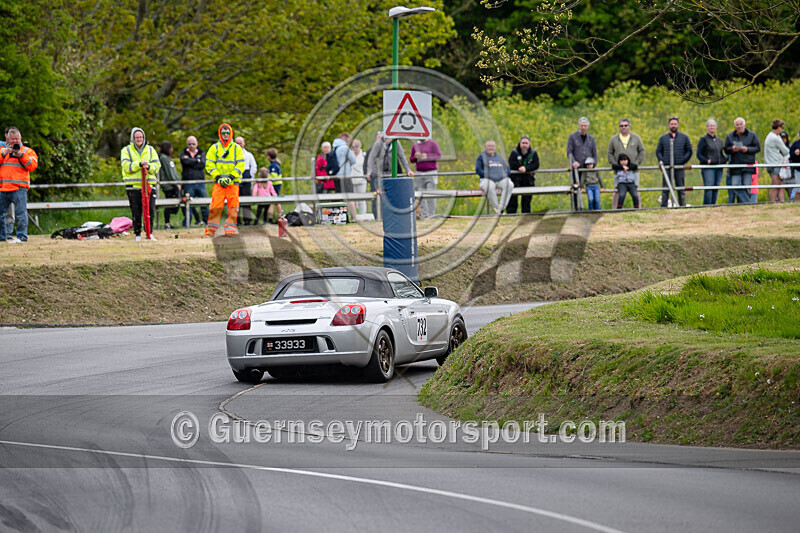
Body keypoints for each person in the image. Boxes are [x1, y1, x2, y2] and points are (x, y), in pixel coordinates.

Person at [205, 123, 245, 237]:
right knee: (215, 207)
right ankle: (211, 230)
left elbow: (241, 164)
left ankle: (230, 230)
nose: (225, 135)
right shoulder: (215, 148)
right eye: (223, 133)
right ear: (220, 133)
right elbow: (209, 164)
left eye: (227, 133)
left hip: (233, 184)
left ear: (231, 133)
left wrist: (231, 177)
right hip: (219, 184)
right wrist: (218, 177)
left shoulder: (237, 148)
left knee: (233, 208)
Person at [121, 127, 161, 241]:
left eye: (141, 137)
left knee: (150, 210)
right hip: (133, 186)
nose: (139, 139)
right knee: (136, 211)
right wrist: (139, 164)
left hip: (148, 185)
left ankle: (150, 233)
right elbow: (126, 166)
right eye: (136, 137)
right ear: (133, 138)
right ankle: (137, 234)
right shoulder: (126, 150)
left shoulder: (150, 149)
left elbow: (157, 165)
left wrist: (148, 166)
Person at [0, 127, 38, 243]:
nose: (15, 141)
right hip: (3, 188)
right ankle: (2, 238)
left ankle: (22, 237)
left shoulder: (27, 151)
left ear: (20, 138)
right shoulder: (2, 149)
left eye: (17, 139)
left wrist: (21, 155)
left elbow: (32, 166)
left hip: (19, 188)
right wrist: (5, 153)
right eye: (12, 139)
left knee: (21, 215)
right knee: (0, 215)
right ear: (8, 139)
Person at [366, 132, 414, 220]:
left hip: (391, 172)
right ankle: (379, 217)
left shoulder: (396, 142)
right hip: (379, 173)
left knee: (392, 195)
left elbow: (402, 157)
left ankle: (393, 216)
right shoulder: (378, 143)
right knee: (380, 194)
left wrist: (408, 170)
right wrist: (369, 171)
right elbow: (371, 157)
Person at [607, 118, 645, 208]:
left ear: (629, 126)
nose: (623, 127)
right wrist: (614, 164)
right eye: (621, 126)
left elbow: (641, 151)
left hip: (633, 170)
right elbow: (609, 153)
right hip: (619, 171)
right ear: (619, 127)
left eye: (625, 125)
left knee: (636, 189)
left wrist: (636, 163)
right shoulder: (614, 139)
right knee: (617, 190)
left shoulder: (636, 138)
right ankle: (615, 210)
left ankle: (638, 208)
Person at [656, 116, 692, 207]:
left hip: (679, 167)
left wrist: (682, 161)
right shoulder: (663, 138)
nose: (673, 126)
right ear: (669, 125)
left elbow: (689, 151)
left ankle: (682, 205)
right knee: (666, 187)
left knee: (680, 187)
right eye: (672, 124)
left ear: (678, 125)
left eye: (675, 124)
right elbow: (658, 151)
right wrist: (663, 161)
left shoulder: (684, 137)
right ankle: (663, 207)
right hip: (667, 167)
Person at [724, 117, 760, 204]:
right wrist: (732, 149)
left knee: (746, 186)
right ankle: (748, 203)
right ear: (734, 126)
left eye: (741, 124)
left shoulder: (752, 135)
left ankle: (743, 205)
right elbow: (725, 149)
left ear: (744, 125)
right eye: (737, 125)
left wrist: (747, 149)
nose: (739, 126)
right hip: (735, 165)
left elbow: (757, 148)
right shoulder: (730, 136)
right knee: (735, 185)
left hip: (748, 165)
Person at [476, 140, 513, 215]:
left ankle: (501, 208)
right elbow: (478, 169)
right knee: (489, 186)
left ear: (495, 148)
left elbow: (507, 168)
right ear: (485, 147)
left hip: (500, 180)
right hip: (487, 180)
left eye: (492, 146)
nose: (491, 148)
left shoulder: (499, 157)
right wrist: (489, 175)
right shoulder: (481, 157)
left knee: (509, 184)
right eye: (489, 146)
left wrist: (505, 175)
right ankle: (497, 208)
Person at [696, 118, 727, 205]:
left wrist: (725, 159)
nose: (712, 127)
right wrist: (706, 161)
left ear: (716, 127)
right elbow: (698, 154)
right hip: (708, 168)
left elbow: (721, 153)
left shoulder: (719, 140)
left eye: (713, 126)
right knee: (709, 187)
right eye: (710, 126)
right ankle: (707, 205)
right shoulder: (703, 140)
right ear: (707, 128)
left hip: (718, 167)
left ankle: (713, 204)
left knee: (716, 187)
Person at [410, 136, 442, 218]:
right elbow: (411, 159)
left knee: (431, 194)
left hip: (431, 172)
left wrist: (427, 156)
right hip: (419, 172)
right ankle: (424, 215)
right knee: (421, 195)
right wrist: (415, 157)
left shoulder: (432, 143)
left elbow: (438, 155)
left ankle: (432, 215)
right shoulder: (415, 145)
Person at [179, 136, 208, 227]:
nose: (191, 146)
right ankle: (187, 224)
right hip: (188, 183)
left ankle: (207, 222)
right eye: (189, 144)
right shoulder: (183, 153)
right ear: (186, 144)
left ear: (197, 144)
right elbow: (184, 162)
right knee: (188, 204)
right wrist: (196, 161)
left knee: (204, 203)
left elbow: (202, 165)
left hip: (200, 183)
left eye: (193, 144)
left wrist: (190, 161)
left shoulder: (201, 153)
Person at [507, 136, 540, 214]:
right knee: (512, 200)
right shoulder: (514, 152)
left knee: (526, 200)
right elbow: (511, 163)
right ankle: (511, 215)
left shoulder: (533, 153)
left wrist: (526, 168)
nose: (524, 145)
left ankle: (526, 215)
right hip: (515, 179)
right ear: (520, 143)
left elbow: (536, 164)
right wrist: (519, 168)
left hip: (528, 180)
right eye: (523, 143)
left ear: (529, 144)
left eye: (526, 143)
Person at [764, 119, 790, 203]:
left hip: (771, 163)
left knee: (781, 184)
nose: (782, 129)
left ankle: (781, 202)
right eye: (781, 127)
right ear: (778, 127)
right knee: (775, 185)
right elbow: (785, 150)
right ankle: (772, 203)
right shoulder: (775, 137)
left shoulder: (770, 136)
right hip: (775, 163)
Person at [332, 132, 357, 217]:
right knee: (350, 197)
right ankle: (354, 217)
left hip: (336, 177)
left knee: (339, 197)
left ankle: (339, 217)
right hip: (345, 176)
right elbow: (353, 160)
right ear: (344, 138)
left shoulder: (334, 148)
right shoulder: (344, 148)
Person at [235, 136, 257, 225]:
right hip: (236, 176)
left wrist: (250, 177)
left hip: (246, 176)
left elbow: (254, 166)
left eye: (240, 143)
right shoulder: (232, 155)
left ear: (244, 143)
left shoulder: (248, 155)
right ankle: (236, 219)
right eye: (237, 143)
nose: (239, 145)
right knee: (236, 200)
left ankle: (247, 219)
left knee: (246, 200)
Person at [158, 141, 180, 229]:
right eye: (170, 147)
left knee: (174, 203)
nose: (172, 149)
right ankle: (167, 223)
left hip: (173, 183)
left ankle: (168, 222)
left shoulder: (168, 158)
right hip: (169, 185)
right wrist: (176, 183)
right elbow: (169, 172)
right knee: (169, 203)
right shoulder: (164, 158)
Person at [349, 139, 368, 215]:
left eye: (356, 146)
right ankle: (354, 216)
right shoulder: (349, 154)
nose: (355, 148)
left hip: (361, 180)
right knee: (352, 199)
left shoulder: (364, 155)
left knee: (362, 200)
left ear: (360, 146)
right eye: (353, 146)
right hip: (351, 179)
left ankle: (363, 215)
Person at [789, 130, 800, 202]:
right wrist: (795, 154)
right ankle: (795, 204)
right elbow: (790, 156)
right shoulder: (796, 144)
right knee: (799, 190)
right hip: (798, 170)